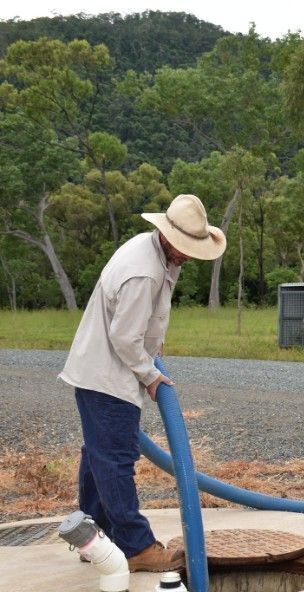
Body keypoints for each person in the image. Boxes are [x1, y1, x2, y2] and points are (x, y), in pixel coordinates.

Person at [59, 194, 226, 572]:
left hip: (98, 373)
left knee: (98, 458)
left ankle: (94, 541)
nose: (188, 255)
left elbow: (142, 319)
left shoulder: (154, 251)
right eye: (184, 247)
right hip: (108, 378)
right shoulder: (144, 271)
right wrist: (150, 375)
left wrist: (153, 346)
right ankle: (137, 549)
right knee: (115, 461)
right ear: (167, 236)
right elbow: (124, 337)